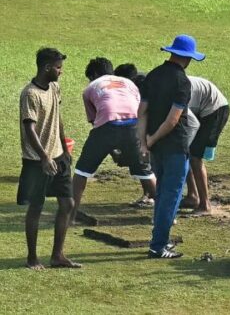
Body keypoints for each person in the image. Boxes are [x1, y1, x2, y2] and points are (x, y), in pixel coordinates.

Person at [138, 34, 205, 259]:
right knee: (171, 196)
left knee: (162, 195)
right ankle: (158, 245)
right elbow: (173, 120)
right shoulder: (182, 82)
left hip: (155, 147)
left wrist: (145, 142)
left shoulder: (153, 76)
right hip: (174, 146)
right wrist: (154, 139)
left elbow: (142, 112)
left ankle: (158, 241)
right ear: (187, 58)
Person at [71, 57, 157, 224]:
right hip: (134, 124)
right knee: (145, 171)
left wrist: (111, 148)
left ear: (94, 75)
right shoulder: (129, 83)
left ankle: (70, 214)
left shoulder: (90, 88)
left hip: (107, 124)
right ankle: (164, 215)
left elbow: (95, 121)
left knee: (81, 171)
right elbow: (139, 108)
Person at [17, 47, 80, 269]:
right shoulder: (30, 94)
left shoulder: (54, 87)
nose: (60, 71)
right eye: (58, 67)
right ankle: (32, 258)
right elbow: (29, 128)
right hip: (37, 160)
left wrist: (64, 148)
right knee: (36, 206)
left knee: (68, 203)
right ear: (46, 67)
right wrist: (44, 157)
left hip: (58, 155)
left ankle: (57, 256)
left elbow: (58, 119)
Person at [181, 76, 230, 215]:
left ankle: (205, 205)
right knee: (187, 153)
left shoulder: (175, 92)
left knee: (195, 158)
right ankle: (192, 196)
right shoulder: (162, 86)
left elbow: (192, 123)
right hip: (199, 108)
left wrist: (185, 145)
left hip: (215, 109)